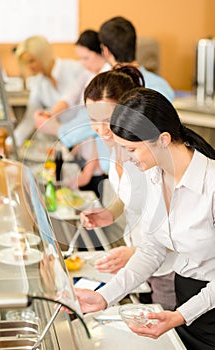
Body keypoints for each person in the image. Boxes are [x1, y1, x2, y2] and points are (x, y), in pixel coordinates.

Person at [75, 87, 215, 350]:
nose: (126, 158)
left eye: (131, 149)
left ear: (162, 139)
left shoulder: (212, 185)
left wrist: (180, 315)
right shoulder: (155, 175)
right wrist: (104, 297)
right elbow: (151, 250)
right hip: (185, 296)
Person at [81, 65, 176, 310]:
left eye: (107, 120)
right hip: (141, 264)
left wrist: (134, 252)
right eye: (93, 120)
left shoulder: (149, 156)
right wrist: (109, 213)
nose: (101, 130)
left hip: (169, 269)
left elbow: (178, 227)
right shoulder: (117, 149)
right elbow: (127, 195)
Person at [34, 16, 174, 153]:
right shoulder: (162, 85)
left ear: (105, 50)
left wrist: (55, 128)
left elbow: (87, 123)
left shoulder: (110, 89)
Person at [34, 30, 111, 137]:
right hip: (81, 130)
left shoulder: (109, 76)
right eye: (80, 58)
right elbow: (69, 97)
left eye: (86, 58)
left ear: (101, 53)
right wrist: (50, 114)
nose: (82, 63)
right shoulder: (88, 73)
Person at [13, 35, 84, 147]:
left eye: (32, 61)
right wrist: (11, 142)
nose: (29, 66)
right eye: (25, 63)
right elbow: (30, 119)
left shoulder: (74, 69)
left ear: (43, 56)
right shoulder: (38, 82)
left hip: (84, 137)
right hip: (63, 140)